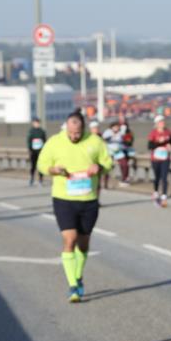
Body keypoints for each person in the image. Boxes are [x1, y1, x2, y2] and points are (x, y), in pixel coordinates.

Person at [36, 111, 113, 303]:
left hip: (88, 199)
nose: (74, 137)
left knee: (83, 242)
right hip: (63, 199)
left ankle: (78, 275)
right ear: (66, 127)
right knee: (69, 239)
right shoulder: (55, 142)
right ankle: (73, 287)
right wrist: (54, 169)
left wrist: (99, 168)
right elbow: (41, 164)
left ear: (83, 128)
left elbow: (108, 162)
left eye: (77, 133)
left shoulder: (95, 141)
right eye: (71, 133)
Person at [148, 115, 171, 207]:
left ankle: (164, 196)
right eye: (160, 122)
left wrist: (169, 146)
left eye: (163, 122)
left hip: (165, 158)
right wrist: (159, 143)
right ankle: (155, 192)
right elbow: (150, 146)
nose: (162, 123)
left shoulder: (168, 132)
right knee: (157, 177)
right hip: (155, 158)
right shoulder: (153, 133)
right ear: (157, 124)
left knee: (164, 177)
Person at [101, 121, 128, 188]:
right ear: (112, 127)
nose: (116, 128)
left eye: (117, 127)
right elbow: (104, 139)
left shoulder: (120, 133)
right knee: (108, 166)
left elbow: (124, 138)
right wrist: (112, 136)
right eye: (115, 127)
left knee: (124, 164)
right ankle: (105, 183)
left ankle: (124, 180)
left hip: (118, 152)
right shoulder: (108, 132)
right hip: (110, 151)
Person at [27, 117, 47, 187]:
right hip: (33, 151)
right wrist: (30, 149)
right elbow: (29, 141)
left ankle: (40, 180)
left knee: (40, 166)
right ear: (33, 123)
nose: (37, 124)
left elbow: (45, 141)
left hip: (40, 151)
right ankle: (31, 178)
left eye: (38, 123)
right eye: (36, 123)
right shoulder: (31, 131)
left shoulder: (42, 131)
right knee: (33, 166)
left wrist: (44, 150)